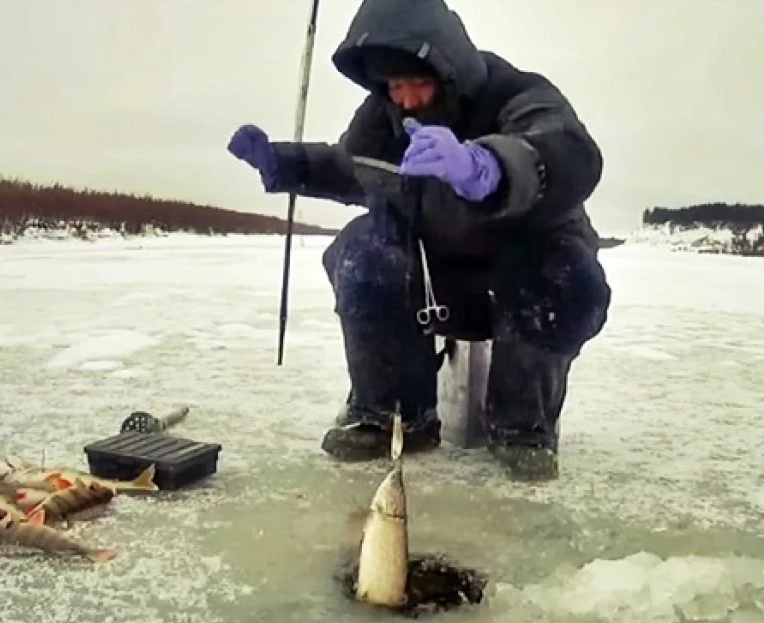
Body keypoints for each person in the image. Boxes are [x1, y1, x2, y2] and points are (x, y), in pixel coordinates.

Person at [227, 0, 611, 481]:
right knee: (361, 250)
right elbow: (352, 169)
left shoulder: (516, 91)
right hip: (435, 281)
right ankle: (393, 414)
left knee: (565, 277)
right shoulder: (381, 119)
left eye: (419, 83)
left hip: (527, 275)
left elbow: (570, 150)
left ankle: (523, 427)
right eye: (394, 86)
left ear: (449, 70)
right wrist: (286, 165)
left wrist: (487, 166)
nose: (406, 99)